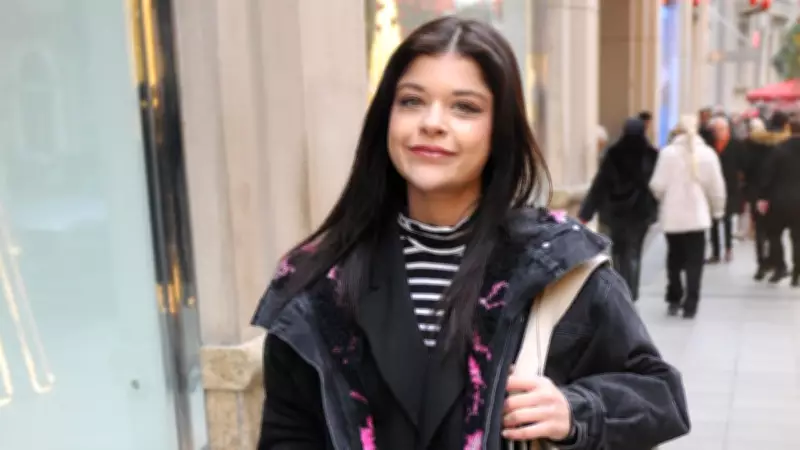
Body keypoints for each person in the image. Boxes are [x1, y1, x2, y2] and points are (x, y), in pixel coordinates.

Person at [251, 17, 690, 450]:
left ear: (499, 130)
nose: (432, 123)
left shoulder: (555, 266)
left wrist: (576, 412)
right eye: (411, 101)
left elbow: (660, 395)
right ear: (386, 116)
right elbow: (287, 435)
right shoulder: (319, 283)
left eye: (464, 107)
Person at [650, 114, 726, 319]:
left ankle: (674, 297)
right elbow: (717, 187)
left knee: (674, 258)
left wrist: (664, 199)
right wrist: (717, 210)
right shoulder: (708, 154)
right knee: (695, 261)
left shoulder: (667, 154)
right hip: (698, 217)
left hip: (673, 217)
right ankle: (691, 303)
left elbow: (657, 185)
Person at [578, 118, 658, 301]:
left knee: (618, 252)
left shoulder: (613, 154)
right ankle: (632, 292)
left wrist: (586, 213)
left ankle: (621, 289)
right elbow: (656, 187)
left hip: (615, 213)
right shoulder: (651, 155)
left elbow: (600, 184)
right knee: (635, 252)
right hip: (640, 213)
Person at [743, 113, 790, 280]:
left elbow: (745, 167)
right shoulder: (783, 143)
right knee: (775, 231)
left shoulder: (751, 143)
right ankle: (777, 263)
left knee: (760, 230)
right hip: (775, 193)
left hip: (755, 192)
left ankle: (761, 265)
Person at [757, 114, 800, 287]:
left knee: (774, 235)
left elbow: (767, 175)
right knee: (798, 238)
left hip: (778, 200)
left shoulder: (779, 149)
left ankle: (780, 266)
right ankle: (797, 273)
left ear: (789, 128)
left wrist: (762, 196)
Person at [706, 116, 743, 263]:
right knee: (713, 220)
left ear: (727, 129)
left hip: (730, 186)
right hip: (713, 186)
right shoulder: (710, 145)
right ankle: (715, 252)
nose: (718, 133)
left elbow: (742, 163)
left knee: (727, 219)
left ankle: (728, 249)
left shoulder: (736, 144)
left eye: (721, 129)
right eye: (715, 130)